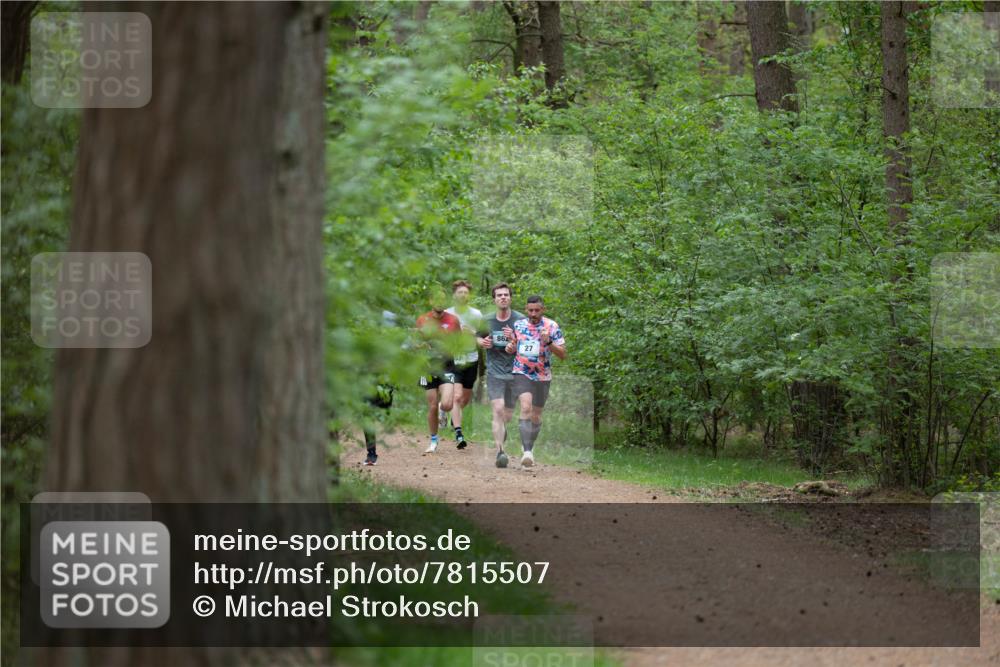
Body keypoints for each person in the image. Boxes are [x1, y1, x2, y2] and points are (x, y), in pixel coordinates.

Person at [505, 295, 566, 467]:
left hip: (543, 375)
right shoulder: (519, 325)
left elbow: (562, 354)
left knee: (536, 415)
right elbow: (513, 347)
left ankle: (530, 448)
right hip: (521, 372)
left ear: (543, 310)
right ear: (526, 310)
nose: (533, 314)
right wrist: (510, 347)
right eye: (530, 310)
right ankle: (527, 452)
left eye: (537, 310)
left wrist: (549, 342)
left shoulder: (552, 326)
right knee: (525, 407)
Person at [476, 283, 524, 468]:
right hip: (495, 371)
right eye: (499, 295)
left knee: (507, 415)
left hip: (516, 372)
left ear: (510, 298)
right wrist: (483, 342)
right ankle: (500, 453)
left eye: (506, 294)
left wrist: (515, 340)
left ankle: (502, 432)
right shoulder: (486, 320)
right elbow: (477, 337)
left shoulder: (520, 320)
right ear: (494, 299)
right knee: (497, 409)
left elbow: (530, 344)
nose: (503, 297)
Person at [415, 288, 462, 454]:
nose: (439, 303)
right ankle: (433, 440)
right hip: (427, 367)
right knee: (432, 405)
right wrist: (420, 346)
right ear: (430, 302)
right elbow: (416, 343)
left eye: (442, 299)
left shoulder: (453, 320)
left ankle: (444, 411)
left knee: (448, 404)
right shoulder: (422, 320)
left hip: (447, 366)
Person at [444, 279, 485, 449]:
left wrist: (472, 333)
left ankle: (450, 415)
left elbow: (484, 337)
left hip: (472, 358)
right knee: (457, 396)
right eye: (459, 292)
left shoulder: (476, 314)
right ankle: (459, 432)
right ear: (454, 295)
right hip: (453, 358)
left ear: (469, 295)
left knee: (464, 399)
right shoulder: (447, 313)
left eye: (465, 292)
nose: (462, 295)